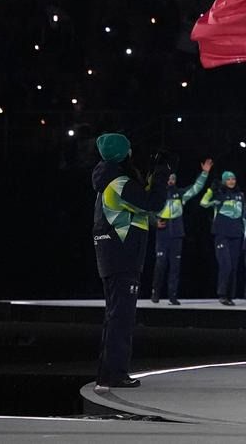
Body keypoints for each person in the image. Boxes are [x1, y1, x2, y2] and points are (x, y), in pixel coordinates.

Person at [91, 133, 172, 392]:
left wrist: (151, 175)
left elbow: (139, 202)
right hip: (122, 256)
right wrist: (161, 173)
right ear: (122, 153)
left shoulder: (109, 181)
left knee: (114, 316)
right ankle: (116, 374)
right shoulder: (118, 183)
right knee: (121, 318)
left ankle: (107, 373)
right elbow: (153, 203)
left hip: (114, 255)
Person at [151, 158, 211, 305]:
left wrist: (204, 173)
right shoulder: (157, 195)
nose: (170, 181)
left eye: (173, 178)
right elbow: (147, 212)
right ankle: (155, 293)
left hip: (177, 234)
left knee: (175, 267)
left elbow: (196, 188)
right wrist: (154, 222)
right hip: (162, 234)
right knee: (160, 265)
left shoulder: (180, 194)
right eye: (168, 178)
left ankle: (172, 296)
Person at [200, 169, 246, 305]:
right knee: (226, 265)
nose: (231, 181)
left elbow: (243, 216)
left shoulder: (240, 195)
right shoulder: (219, 194)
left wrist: (245, 234)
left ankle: (230, 295)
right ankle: (222, 294)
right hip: (222, 234)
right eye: (228, 179)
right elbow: (203, 202)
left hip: (236, 234)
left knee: (234, 266)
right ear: (223, 181)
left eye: (233, 179)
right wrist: (210, 191)